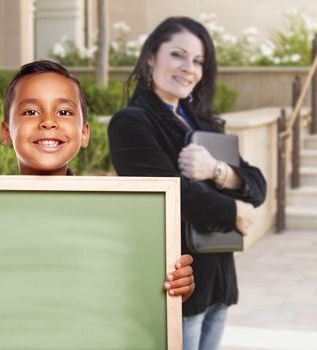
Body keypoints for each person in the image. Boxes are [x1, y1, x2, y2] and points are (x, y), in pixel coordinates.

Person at [0, 60, 195, 302]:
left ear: (84, 133)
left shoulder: (123, 218)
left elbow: (136, 291)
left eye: (63, 111)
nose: (48, 121)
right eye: (31, 111)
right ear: (6, 132)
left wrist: (175, 288)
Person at [108, 17, 267, 350]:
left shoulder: (203, 121)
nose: (188, 69)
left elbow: (257, 184)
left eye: (198, 61)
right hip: (180, 287)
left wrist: (217, 170)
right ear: (151, 57)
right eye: (178, 55)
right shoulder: (131, 123)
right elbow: (171, 194)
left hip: (218, 281)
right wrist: (234, 210)